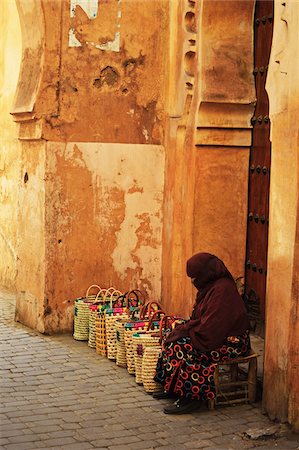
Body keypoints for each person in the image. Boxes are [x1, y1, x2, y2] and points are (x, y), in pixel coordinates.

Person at [154, 252, 251, 414]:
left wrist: (187, 332)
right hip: (215, 335)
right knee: (172, 338)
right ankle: (174, 388)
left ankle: (192, 398)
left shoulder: (222, 290)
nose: (193, 281)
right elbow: (202, 320)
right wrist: (183, 329)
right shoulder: (209, 288)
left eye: (195, 276)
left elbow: (213, 328)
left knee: (185, 348)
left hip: (232, 343)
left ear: (206, 273)